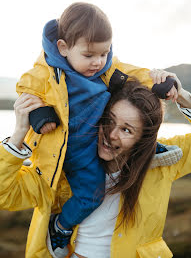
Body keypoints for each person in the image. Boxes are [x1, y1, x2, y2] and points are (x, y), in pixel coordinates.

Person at [15, 2, 178, 256]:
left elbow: (131, 72)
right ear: (63, 47)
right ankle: (61, 227)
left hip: (95, 144)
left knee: (126, 145)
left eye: (104, 53)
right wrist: (40, 114)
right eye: (89, 55)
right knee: (91, 196)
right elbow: (27, 90)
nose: (98, 62)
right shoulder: (45, 72)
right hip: (66, 154)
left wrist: (157, 81)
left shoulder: (106, 68)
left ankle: (149, 147)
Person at [0, 73, 190, 258]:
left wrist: (181, 95)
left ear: (143, 139)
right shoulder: (61, 167)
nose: (111, 134)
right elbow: (5, 194)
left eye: (126, 129)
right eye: (109, 120)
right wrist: (18, 136)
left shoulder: (164, 161)